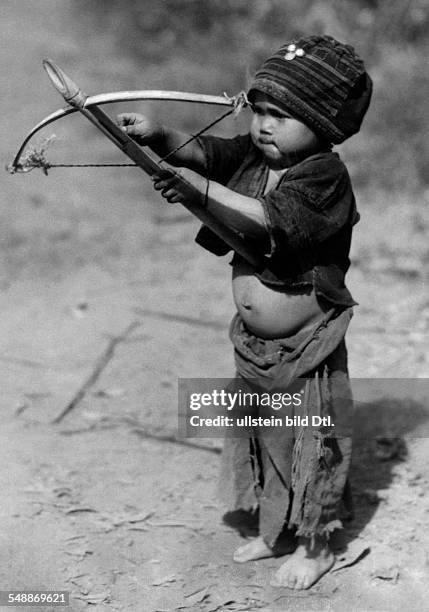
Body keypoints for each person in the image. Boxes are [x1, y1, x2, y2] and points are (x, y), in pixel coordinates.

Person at [117, 35, 372, 590]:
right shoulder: (256, 156)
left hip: (309, 343)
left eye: (281, 116)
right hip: (256, 346)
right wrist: (160, 136)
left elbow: (268, 218)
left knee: (311, 439)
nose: (264, 126)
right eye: (259, 110)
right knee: (267, 435)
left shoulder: (323, 176)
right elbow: (205, 155)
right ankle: (277, 524)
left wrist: (197, 189)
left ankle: (318, 543)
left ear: (324, 124)